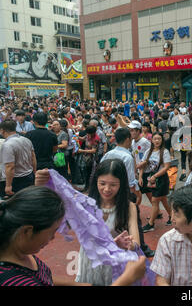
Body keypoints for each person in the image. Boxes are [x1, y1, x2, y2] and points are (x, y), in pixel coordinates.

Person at [0, 185, 146, 286]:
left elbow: (46, 279)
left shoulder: (21, 252)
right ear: (27, 231)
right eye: (51, 232)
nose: (52, 239)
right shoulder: (12, 279)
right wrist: (127, 278)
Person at [140, 132, 173, 232]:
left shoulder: (165, 152)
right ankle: (172, 216)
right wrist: (140, 177)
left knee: (154, 200)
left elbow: (167, 167)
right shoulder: (148, 151)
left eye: (159, 139)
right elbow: (143, 164)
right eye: (155, 139)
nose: (157, 141)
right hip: (152, 179)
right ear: (152, 140)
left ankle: (151, 224)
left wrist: (155, 176)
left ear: (162, 140)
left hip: (161, 180)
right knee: (163, 199)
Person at [0, 120, 36, 197]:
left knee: (16, 203)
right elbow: (33, 158)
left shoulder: (7, 145)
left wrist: (8, 185)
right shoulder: (26, 140)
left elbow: (10, 166)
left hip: (16, 179)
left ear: (2, 130)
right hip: (29, 175)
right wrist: (34, 172)